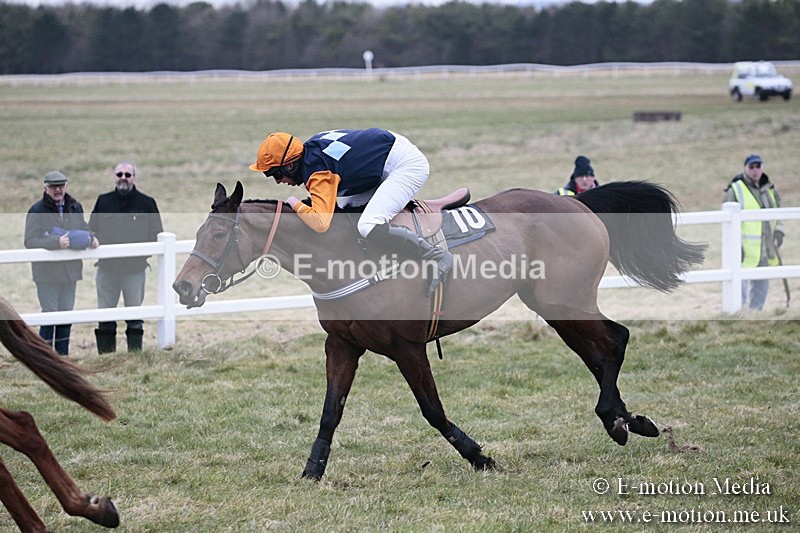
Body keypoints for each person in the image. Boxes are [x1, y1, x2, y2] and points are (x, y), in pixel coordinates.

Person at [249, 129, 452, 296]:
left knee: (367, 225)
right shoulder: (310, 153)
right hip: (380, 159)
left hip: (404, 164)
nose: (277, 181)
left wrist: (295, 204)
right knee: (346, 214)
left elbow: (320, 223)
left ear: (291, 165)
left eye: (275, 173)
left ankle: (436, 256)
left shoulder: (318, 172)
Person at [89, 162, 163, 353]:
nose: (123, 177)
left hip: (134, 271)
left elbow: (157, 234)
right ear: (114, 177)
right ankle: (106, 357)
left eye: (128, 174)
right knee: (105, 316)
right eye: (119, 174)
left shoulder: (147, 203)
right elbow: (91, 229)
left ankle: (134, 357)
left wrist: (139, 256)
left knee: (135, 316)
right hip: (107, 270)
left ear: (134, 178)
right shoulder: (103, 201)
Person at [24, 170, 98, 356]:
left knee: (66, 315)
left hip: (70, 272)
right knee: (49, 314)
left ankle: (63, 356)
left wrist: (92, 238)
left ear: (66, 186)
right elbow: (30, 241)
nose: (58, 190)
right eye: (53, 187)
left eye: (61, 186)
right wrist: (55, 243)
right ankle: (45, 356)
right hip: (46, 274)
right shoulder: (36, 210)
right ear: (45, 188)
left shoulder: (75, 207)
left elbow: (83, 228)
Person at [723, 153, 784, 311]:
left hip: (765, 247)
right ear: (745, 168)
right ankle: (740, 315)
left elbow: (778, 211)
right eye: (751, 166)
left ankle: (756, 314)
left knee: (762, 283)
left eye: (758, 166)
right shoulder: (736, 189)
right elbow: (727, 221)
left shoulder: (769, 188)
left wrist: (779, 231)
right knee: (740, 283)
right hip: (744, 248)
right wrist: (735, 244)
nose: (755, 170)